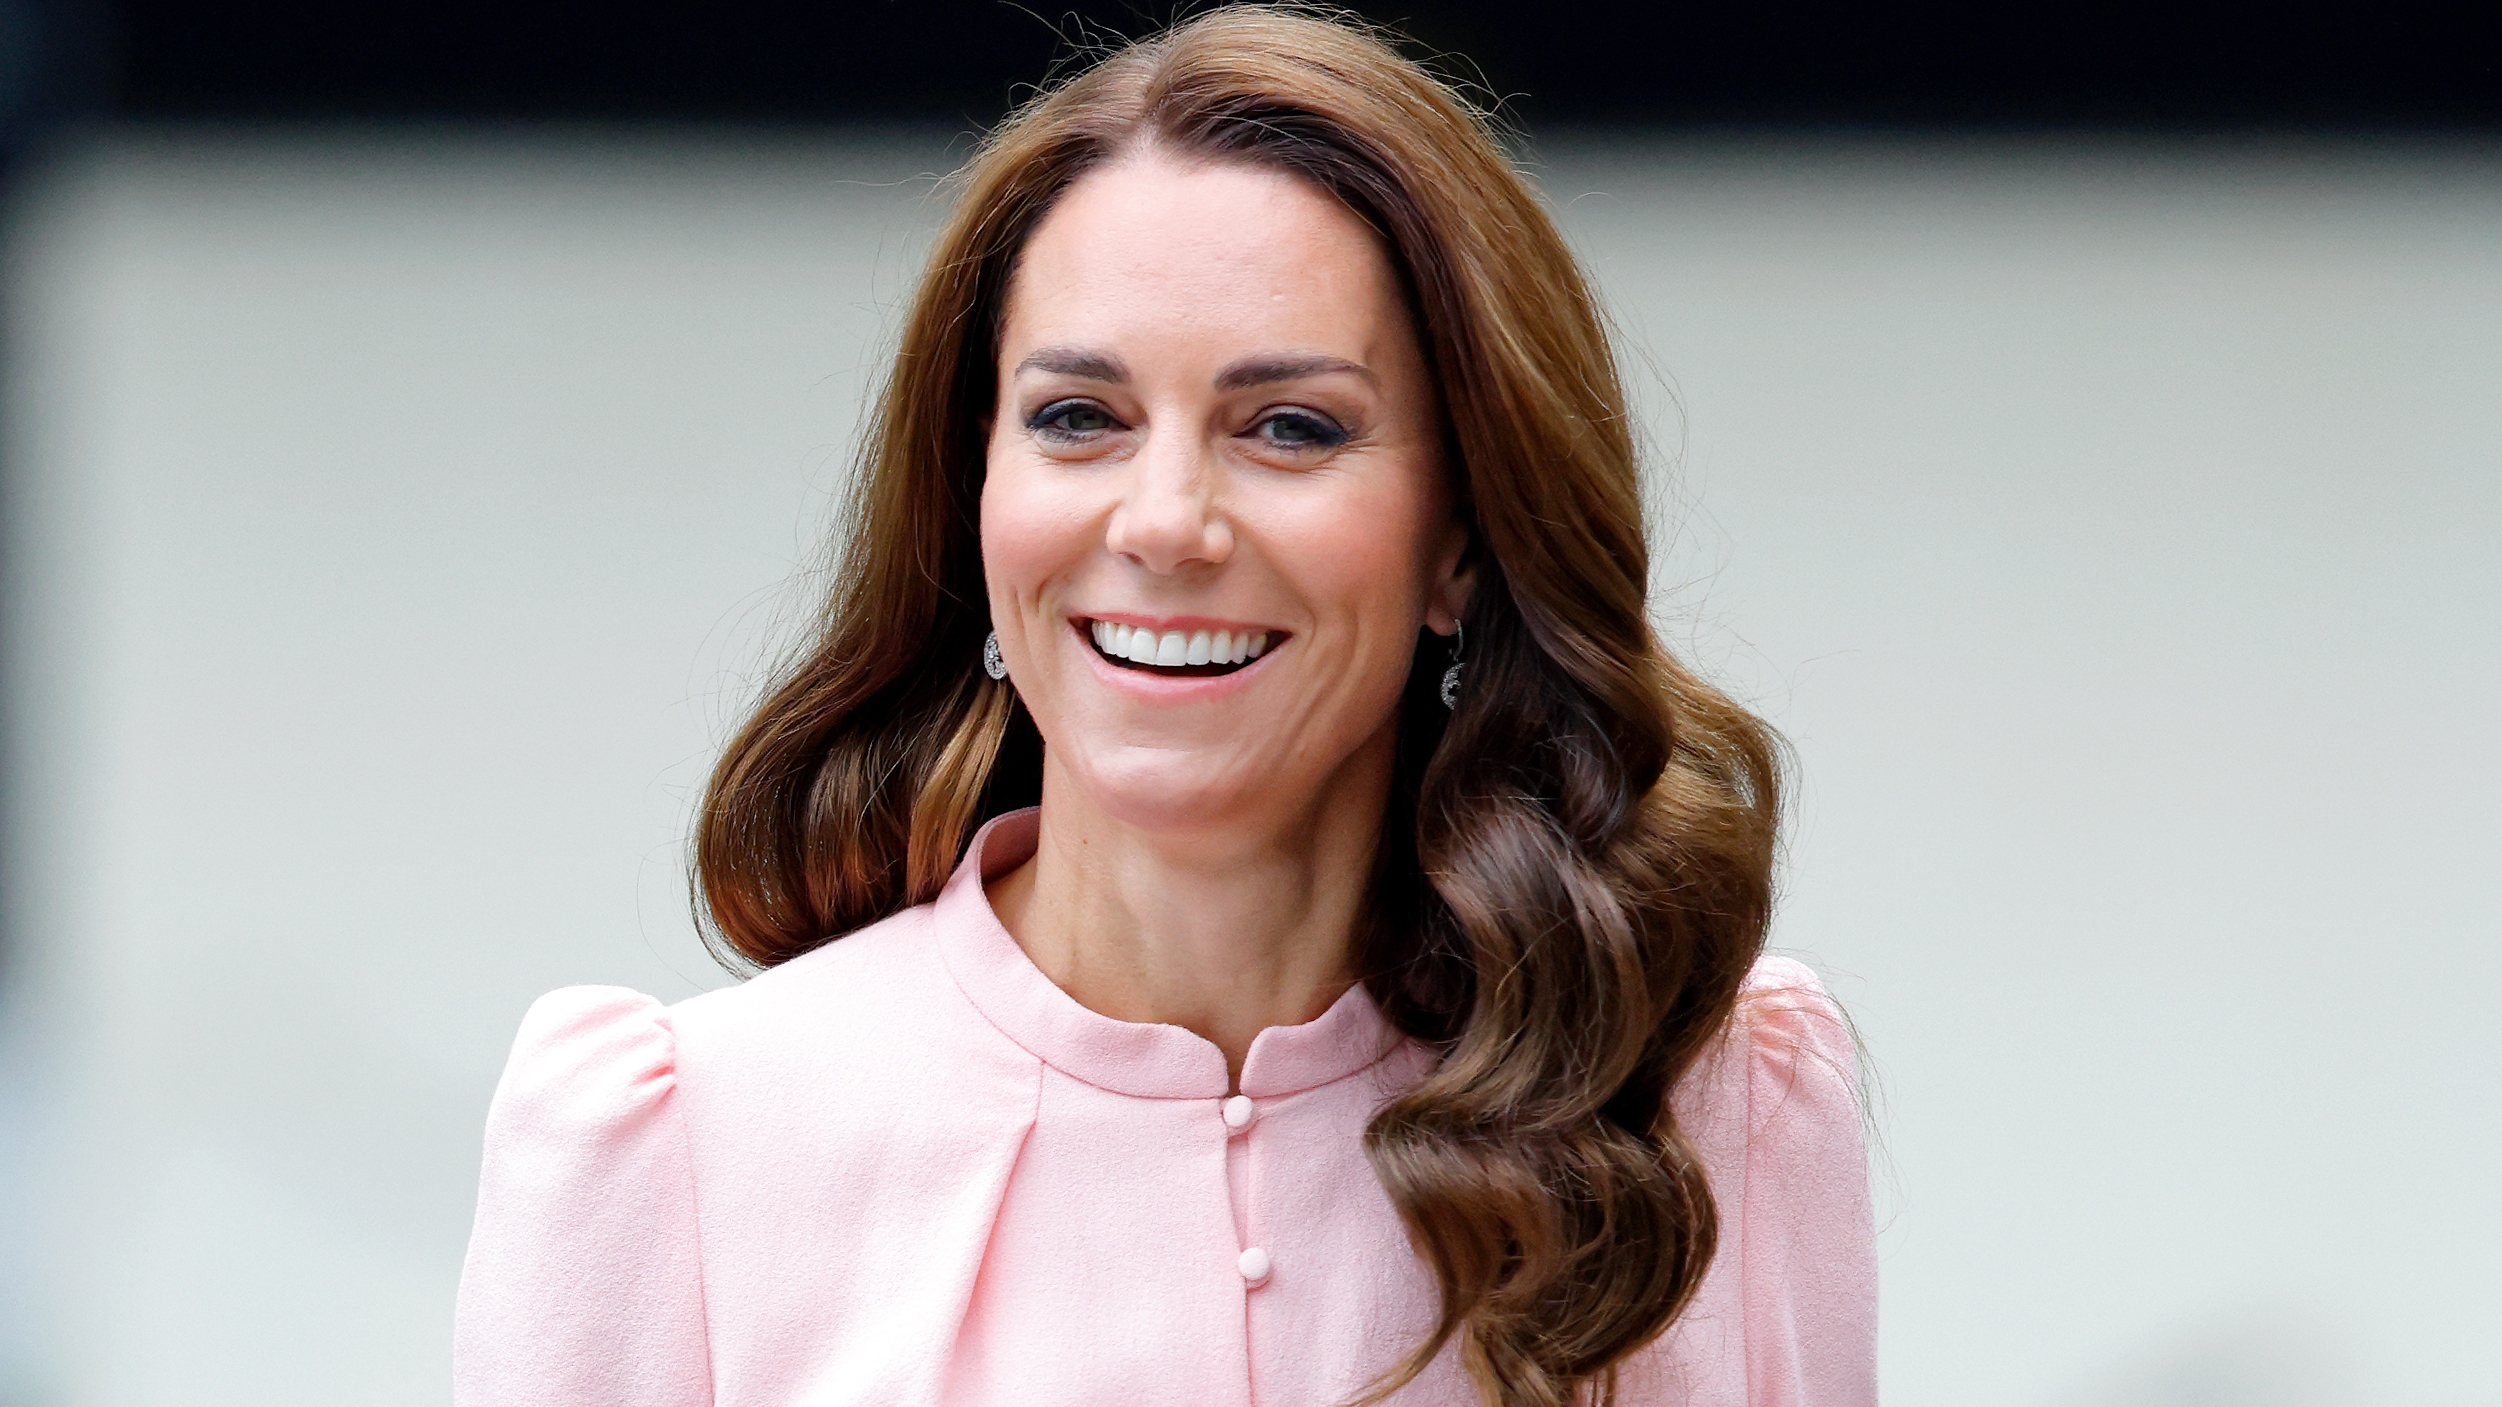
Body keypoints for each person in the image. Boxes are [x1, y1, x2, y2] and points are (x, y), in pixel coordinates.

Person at [453, 9, 1876, 1405]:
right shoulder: (678, 1152)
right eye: (1080, 418)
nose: (1164, 522)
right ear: (976, 495)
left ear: (1460, 538)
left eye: (1289, 428)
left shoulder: (1723, 1114)